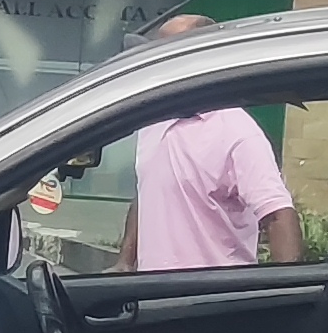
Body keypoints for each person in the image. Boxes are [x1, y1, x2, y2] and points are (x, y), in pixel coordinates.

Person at [113, 15, 305, 271]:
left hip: (211, 291)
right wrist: (125, 261)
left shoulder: (237, 132)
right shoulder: (154, 121)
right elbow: (147, 191)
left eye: (168, 53)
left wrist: (288, 287)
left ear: (201, 60)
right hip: (153, 289)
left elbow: (278, 215)